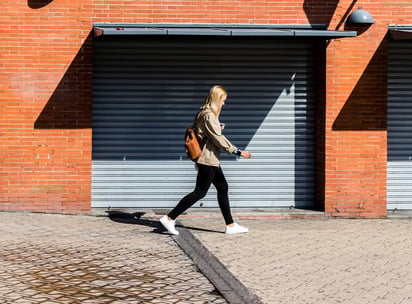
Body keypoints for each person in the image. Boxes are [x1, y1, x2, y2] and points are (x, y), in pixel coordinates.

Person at [160, 85, 252, 235]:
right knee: (199, 192)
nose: (224, 104)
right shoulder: (208, 115)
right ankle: (169, 218)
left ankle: (230, 225)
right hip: (207, 160)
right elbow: (218, 139)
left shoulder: (203, 113)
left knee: (222, 187)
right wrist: (238, 151)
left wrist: (217, 129)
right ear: (216, 99)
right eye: (223, 100)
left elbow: (208, 134)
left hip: (210, 159)